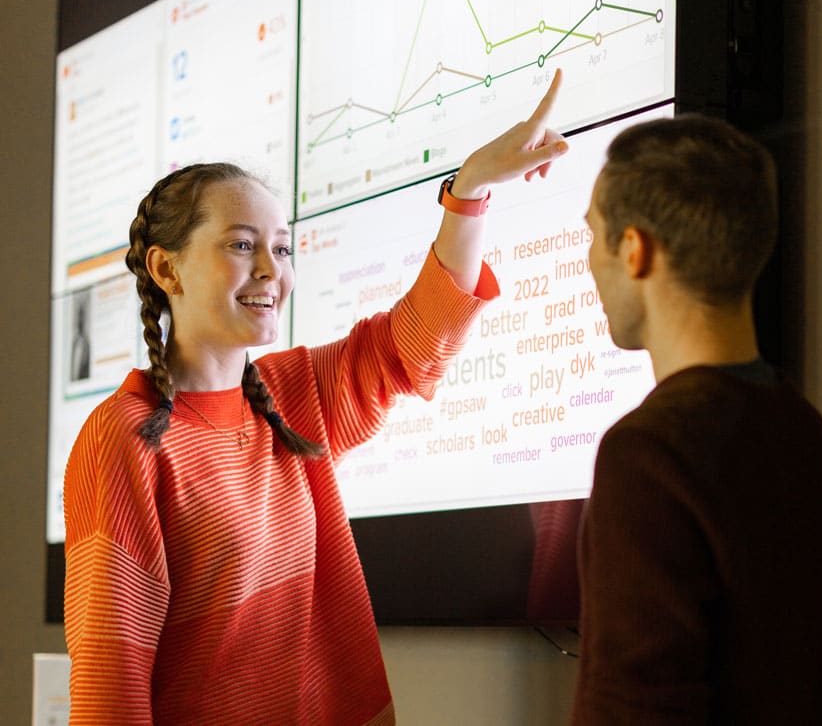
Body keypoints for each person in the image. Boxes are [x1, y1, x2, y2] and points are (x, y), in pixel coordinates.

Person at [62, 72, 568, 725]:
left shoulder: (291, 395)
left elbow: (419, 339)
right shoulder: (126, 439)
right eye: (242, 246)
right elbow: (111, 689)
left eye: (281, 248)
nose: (272, 271)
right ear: (166, 269)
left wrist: (468, 191)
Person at [572, 114, 822, 724]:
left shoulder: (649, 456)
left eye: (594, 237)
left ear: (635, 250)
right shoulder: (814, 440)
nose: (588, 263)